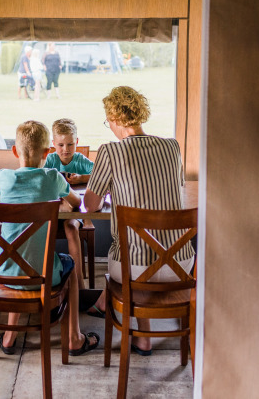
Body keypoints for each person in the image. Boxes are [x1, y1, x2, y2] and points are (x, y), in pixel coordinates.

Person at [82, 86, 195, 356]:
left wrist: (109, 192)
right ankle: (104, 305)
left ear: (116, 119)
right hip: (181, 264)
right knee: (147, 239)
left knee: (128, 249)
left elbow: (90, 205)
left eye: (107, 120)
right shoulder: (172, 146)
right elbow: (174, 190)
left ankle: (140, 335)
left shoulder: (110, 151)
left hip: (134, 270)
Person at [0, 121, 99, 356]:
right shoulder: (53, 178)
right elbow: (75, 204)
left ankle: (9, 337)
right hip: (43, 275)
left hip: (3, 270)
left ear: (14, 151)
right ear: (47, 151)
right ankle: (74, 338)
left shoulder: (4, 178)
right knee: (68, 267)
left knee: (18, 252)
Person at [43, 118, 95, 289]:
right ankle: (46, 275)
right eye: (61, 145)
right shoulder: (49, 160)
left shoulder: (80, 160)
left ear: (77, 142)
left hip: (74, 212)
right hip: (52, 210)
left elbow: (98, 173)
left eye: (70, 144)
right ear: (53, 144)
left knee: (71, 229)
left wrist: (81, 178)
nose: (66, 150)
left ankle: (79, 284)